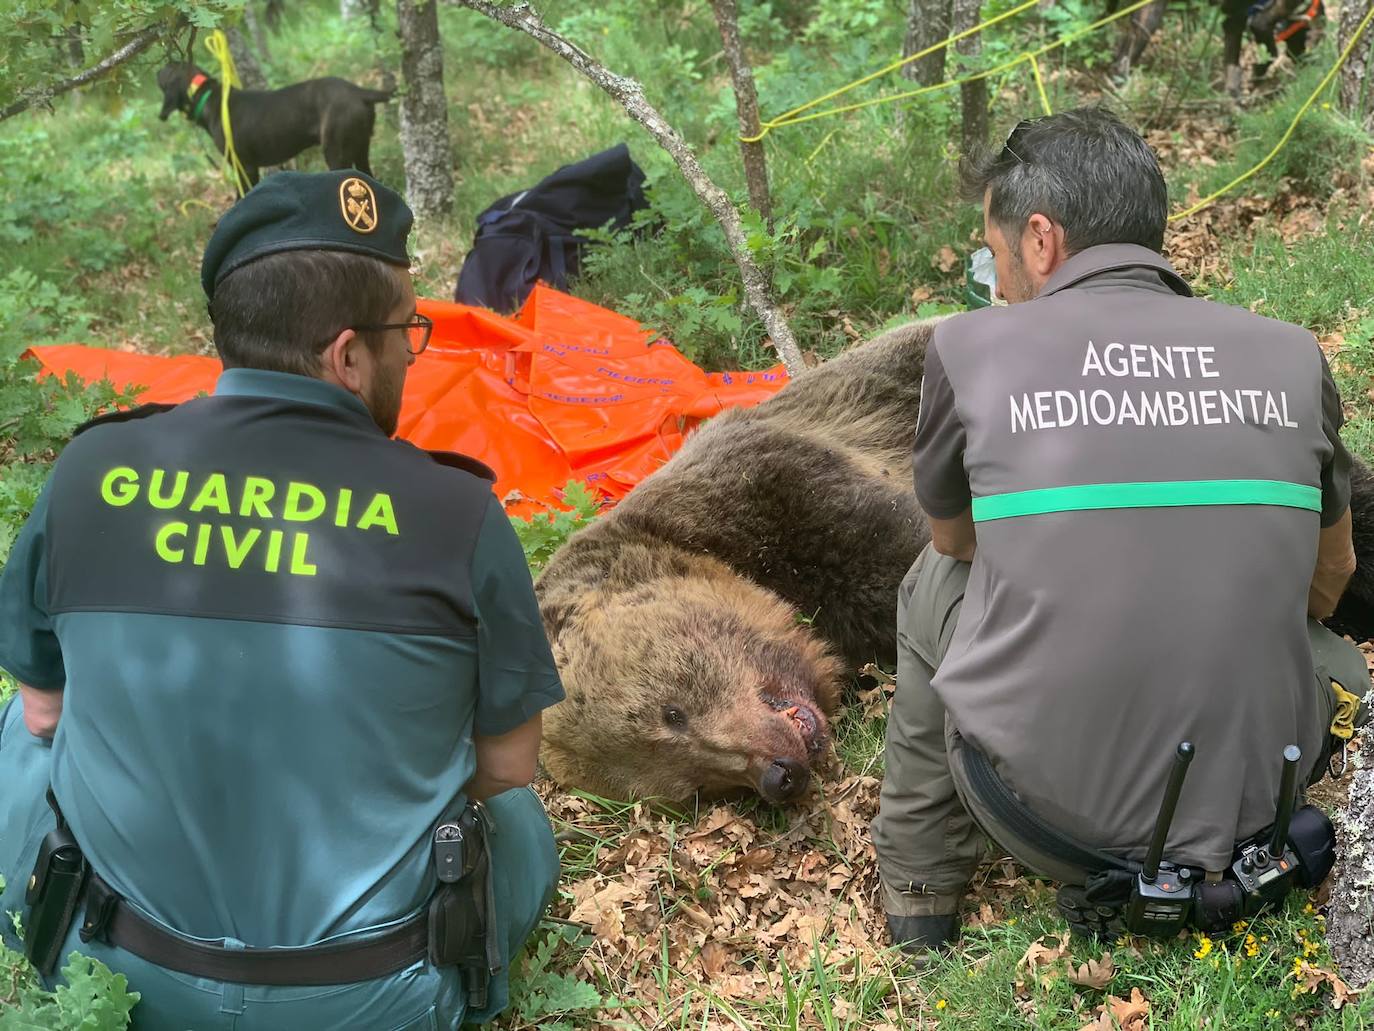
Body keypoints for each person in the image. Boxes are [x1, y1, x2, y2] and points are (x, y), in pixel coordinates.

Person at [0, 170, 564, 1028]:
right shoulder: (459, 514)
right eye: (408, 332)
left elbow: (44, 711)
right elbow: (509, 766)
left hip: (123, 975)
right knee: (521, 823)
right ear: (347, 355)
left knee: (18, 734)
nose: (414, 354)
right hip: (376, 999)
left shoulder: (88, 472)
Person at [871, 108, 1370, 954]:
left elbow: (954, 543)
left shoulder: (969, 349)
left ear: (1039, 239)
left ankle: (921, 891)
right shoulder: (1291, 354)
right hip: (1269, 803)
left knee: (931, 583)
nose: (992, 280)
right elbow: (1331, 578)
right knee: (1327, 647)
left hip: (1049, 823)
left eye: (990, 252)